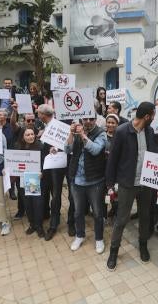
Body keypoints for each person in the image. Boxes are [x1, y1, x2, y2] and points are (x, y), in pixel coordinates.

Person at [106, 102, 157, 271]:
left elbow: (154, 156)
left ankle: (143, 245)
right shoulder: (122, 131)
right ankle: (114, 251)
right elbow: (112, 160)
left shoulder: (150, 131)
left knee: (145, 216)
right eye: (154, 115)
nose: (155, 118)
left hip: (146, 183)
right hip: (127, 183)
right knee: (121, 219)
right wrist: (110, 185)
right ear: (147, 117)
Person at [66, 115, 107, 253]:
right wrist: (71, 134)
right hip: (76, 180)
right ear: (82, 119)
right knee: (78, 212)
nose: (88, 121)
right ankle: (79, 235)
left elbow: (96, 150)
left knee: (97, 212)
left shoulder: (101, 132)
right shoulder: (76, 131)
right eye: (85, 119)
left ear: (95, 120)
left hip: (95, 180)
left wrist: (83, 135)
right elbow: (67, 150)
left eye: (91, 119)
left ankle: (99, 239)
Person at [37, 104, 66, 241]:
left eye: (38, 113)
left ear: (43, 114)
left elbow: (65, 145)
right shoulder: (44, 127)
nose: (37, 115)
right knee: (44, 192)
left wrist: (56, 148)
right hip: (45, 167)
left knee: (55, 195)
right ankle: (44, 215)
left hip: (56, 166)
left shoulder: (58, 126)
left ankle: (54, 225)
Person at [15, 128, 45, 238]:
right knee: (27, 203)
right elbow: (13, 162)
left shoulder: (40, 146)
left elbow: (44, 162)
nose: (31, 136)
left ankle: (39, 226)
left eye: (32, 134)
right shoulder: (17, 147)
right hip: (22, 179)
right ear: (22, 136)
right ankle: (32, 224)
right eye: (27, 135)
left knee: (37, 203)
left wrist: (42, 172)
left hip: (35, 179)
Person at [105, 114, 120, 218]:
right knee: (105, 194)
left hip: (116, 171)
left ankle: (115, 211)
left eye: (113, 123)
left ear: (117, 124)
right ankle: (105, 213)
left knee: (116, 193)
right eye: (108, 122)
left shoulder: (120, 136)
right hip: (103, 170)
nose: (110, 124)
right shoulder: (102, 136)